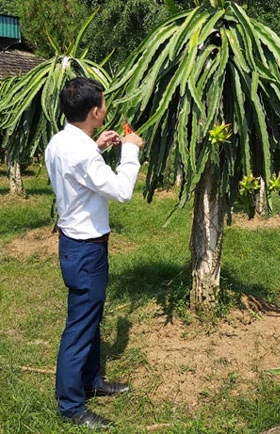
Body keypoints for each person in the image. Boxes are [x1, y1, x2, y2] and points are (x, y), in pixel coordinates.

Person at [45, 77, 144, 429]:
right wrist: (130, 150)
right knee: (80, 325)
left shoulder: (62, 141)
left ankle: (91, 381)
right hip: (86, 249)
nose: (105, 108)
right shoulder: (81, 151)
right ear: (93, 112)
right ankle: (71, 405)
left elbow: (79, 174)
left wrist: (98, 147)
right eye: (102, 104)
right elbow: (121, 191)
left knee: (90, 317)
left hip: (76, 243)